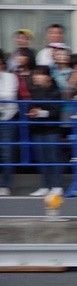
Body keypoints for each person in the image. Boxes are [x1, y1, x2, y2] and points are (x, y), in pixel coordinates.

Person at [26, 66, 64, 196]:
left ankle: (57, 185)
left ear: (48, 77)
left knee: (53, 158)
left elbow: (55, 111)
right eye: (35, 75)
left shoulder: (55, 91)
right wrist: (32, 112)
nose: (36, 77)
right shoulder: (33, 90)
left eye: (40, 75)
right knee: (41, 159)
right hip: (37, 128)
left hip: (51, 129)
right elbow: (31, 107)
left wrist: (40, 112)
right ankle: (45, 185)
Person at [0, 55, 18, 196]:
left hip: (7, 118)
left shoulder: (10, 77)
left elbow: (10, 95)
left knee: (6, 153)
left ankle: (6, 185)